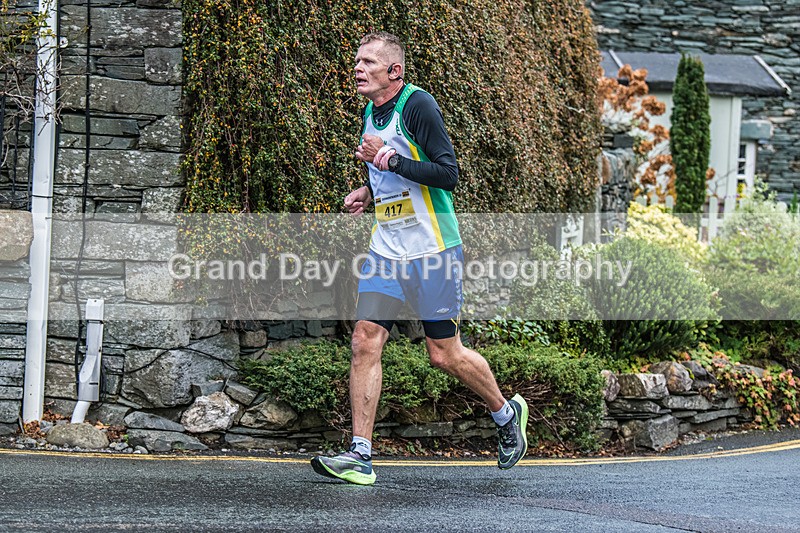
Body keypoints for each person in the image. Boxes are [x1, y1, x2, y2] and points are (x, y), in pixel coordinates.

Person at [310, 32, 528, 486]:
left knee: (444, 355)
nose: (357, 68)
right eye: (356, 60)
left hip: (433, 251)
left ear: (396, 71)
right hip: (387, 249)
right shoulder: (371, 110)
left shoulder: (417, 106)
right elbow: (394, 179)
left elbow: (447, 175)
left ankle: (506, 415)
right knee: (364, 340)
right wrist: (368, 192)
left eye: (369, 61)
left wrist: (387, 160)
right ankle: (360, 455)